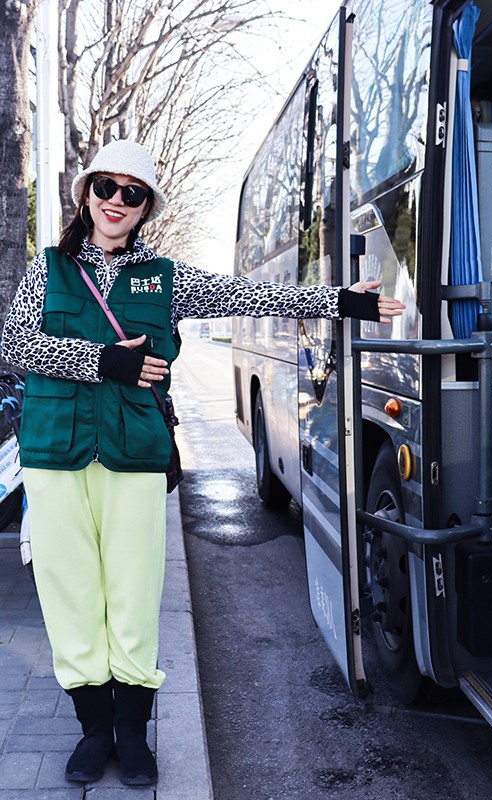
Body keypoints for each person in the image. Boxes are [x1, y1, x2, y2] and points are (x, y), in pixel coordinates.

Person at [0, 139, 404, 787]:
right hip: (55, 453)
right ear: (86, 194)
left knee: (131, 595)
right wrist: (106, 362)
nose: (116, 202)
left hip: (133, 455)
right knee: (70, 593)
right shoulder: (47, 269)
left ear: (144, 208)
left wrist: (342, 301)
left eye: (133, 194)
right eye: (106, 187)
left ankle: (132, 734)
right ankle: (92, 732)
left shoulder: (165, 278)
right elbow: (16, 342)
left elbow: (251, 295)